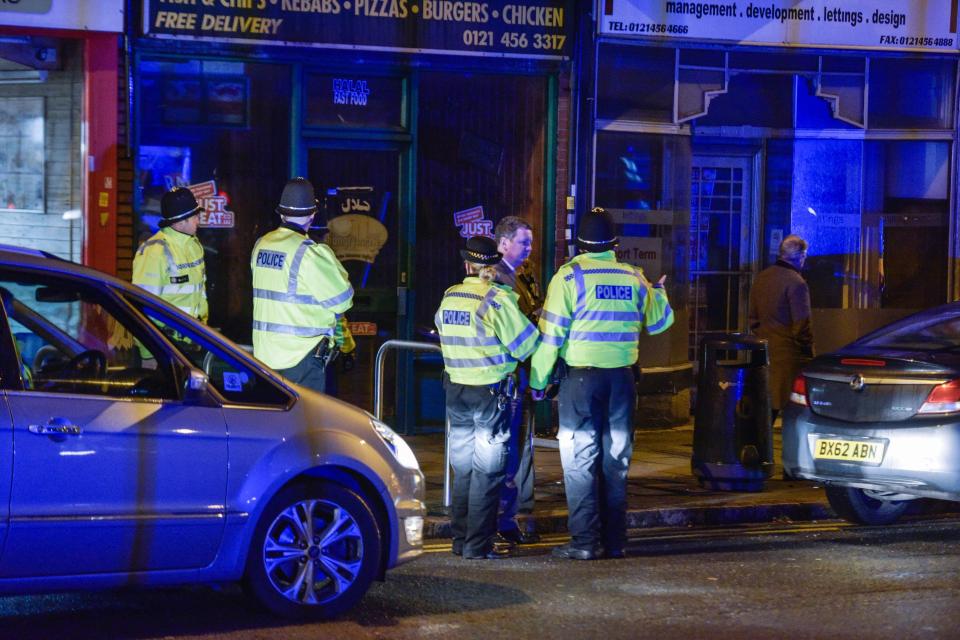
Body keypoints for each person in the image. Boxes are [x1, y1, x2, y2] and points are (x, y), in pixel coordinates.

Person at [530, 207, 674, 560]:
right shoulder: (635, 277)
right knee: (616, 461)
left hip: (580, 381)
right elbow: (660, 325)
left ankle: (583, 543)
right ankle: (615, 542)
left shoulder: (568, 278)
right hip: (622, 381)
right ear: (615, 244)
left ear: (579, 245)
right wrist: (660, 292)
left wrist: (538, 379)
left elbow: (550, 338)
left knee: (580, 461)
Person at [436, 235, 540, 560]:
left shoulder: (450, 296)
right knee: (488, 472)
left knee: (464, 470)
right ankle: (477, 546)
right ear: (492, 266)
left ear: (467, 264)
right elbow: (527, 345)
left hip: (456, 393)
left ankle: (459, 539)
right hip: (490, 395)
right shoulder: (496, 299)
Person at [250, 177, 353, 393]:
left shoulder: (261, 245)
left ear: (281, 212)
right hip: (302, 360)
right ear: (312, 215)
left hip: (264, 359)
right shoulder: (308, 253)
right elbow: (343, 300)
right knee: (306, 424)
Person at [493, 216, 542, 545]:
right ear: (504, 243)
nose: (529, 248)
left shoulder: (521, 275)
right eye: (524, 242)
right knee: (507, 450)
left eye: (530, 242)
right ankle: (501, 520)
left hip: (519, 374)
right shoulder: (496, 277)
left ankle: (507, 517)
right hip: (508, 375)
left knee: (517, 448)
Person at [748, 234, 814, 425]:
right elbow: (802, 322)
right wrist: (807, 349)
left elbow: (753, 316)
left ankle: (759, 447)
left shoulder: (762, 278)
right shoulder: (797, 283)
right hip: (789, 354)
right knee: (793, 406)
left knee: (768, 405)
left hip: (765, 349)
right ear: (800, 256)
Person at [132, 187, 208, 322]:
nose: (198, 221)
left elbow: (200, 292)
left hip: (193, 336)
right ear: (180, 221)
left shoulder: (194, 246)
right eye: (194, 217)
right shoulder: (154, 252)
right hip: (164, 338)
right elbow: (144, 306)